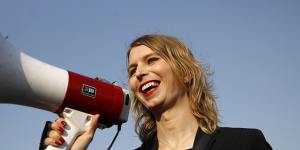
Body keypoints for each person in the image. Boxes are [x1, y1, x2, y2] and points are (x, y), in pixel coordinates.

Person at [41, 34, 272, 150]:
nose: (139, 73)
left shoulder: (244, 144)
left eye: (151, 61)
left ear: (186, 73)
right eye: (133, 70)